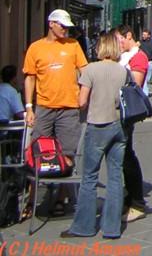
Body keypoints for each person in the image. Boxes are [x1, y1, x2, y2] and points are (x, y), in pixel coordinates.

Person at [61, 32, 128, 240]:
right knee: (115, 177)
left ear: (100, 48)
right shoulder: (123, 71)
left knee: (89, 177)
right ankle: (112, 228)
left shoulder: (90, 70)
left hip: (97, 125)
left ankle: (84, 226)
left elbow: (82, 101)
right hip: (119, 127)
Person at [23, 9, 88, 216]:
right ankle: (32, 199)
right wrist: (29, 107)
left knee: (67, 153)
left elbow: (84, 71)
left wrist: (84, 97)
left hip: (69, 108)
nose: (65, 29)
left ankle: (61, 198)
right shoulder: (36, 48)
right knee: (38, 152)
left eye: (67, 26)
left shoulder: (73, 45)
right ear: (51, 23)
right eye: (62, 25)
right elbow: (30, 78)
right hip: (44, 107)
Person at [116, 25, 148, 223]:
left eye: (119, 39)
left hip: (127, 113)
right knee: (123, 156)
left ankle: (137, 201)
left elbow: (134, 85)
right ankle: (129, 198)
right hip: (118, 113)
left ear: (129, 36)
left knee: (127, 156)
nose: (117, 43)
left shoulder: (138, 57)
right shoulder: (124, 57)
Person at [138, 30, 152, 97]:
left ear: (149, 35)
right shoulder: (140, 42)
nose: (143, 36)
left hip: (150, 61)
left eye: (145, 34)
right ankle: (145, 93)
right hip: (142, 61)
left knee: (147, 78)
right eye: (143, 34)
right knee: (143, 77)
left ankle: (143, 91)